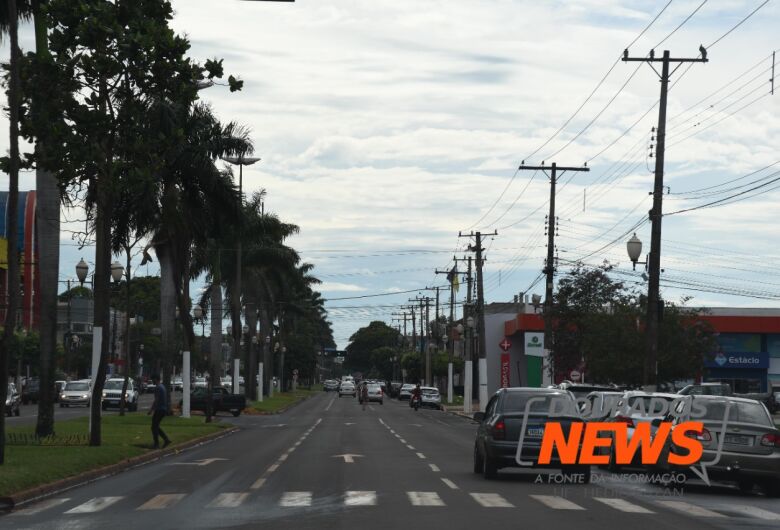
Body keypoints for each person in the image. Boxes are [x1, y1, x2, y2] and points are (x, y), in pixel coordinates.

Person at [147, 374, 171, 449]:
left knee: (154, 427)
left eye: (153, 379)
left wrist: (151, 410)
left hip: (159, 409)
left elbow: (156, 400)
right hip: (162, 409)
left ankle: (156, 444)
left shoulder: (158, 388)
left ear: (156, 379)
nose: (152, 381)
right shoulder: (162, 386)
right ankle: (166, 440)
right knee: (155, 426)